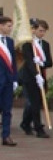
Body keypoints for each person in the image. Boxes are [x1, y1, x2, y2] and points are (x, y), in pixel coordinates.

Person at [18, 18, 53, 138]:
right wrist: (36, 74)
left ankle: (25, 123)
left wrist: (42, 63)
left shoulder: (45, 44)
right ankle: (38, 128)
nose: (42, 33)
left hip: (42, 76)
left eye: (44, 31)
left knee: (37, 102)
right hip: (30, 77)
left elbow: (50, 62)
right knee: (34, 102)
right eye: (40, 30)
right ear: (33, 30)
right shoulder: (28, 44)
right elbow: (28, 62)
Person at [0, 16, 16, 146]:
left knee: (7, 109)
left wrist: (15, 79)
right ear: (1, 26)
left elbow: (13, 62)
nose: (11, 28)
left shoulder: (10, 42)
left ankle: (6, 136)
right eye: (8, 26)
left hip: (8, 81)